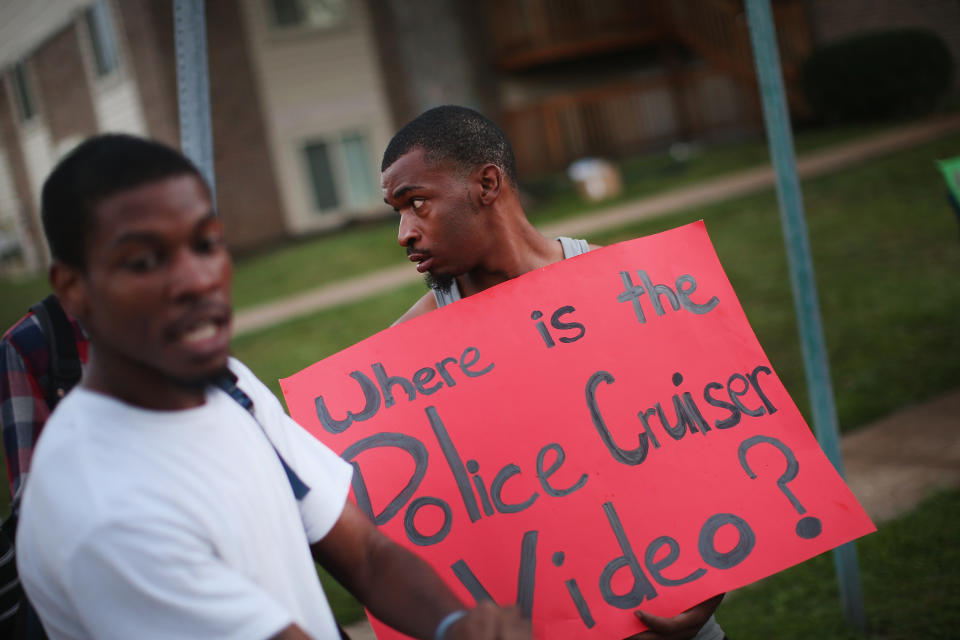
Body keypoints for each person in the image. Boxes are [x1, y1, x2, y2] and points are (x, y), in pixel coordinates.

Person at [14, 133, 531, 640]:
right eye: (145, 261)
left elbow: (366, 555)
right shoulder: (106, 513)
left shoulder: (225, 388)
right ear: (73, 288)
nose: (197, 279)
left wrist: (456, 625)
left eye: (206, 244)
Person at [382, 105, 726, 640]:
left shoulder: (625, 292)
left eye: (417, 203)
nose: (404, 233)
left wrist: (712, 585)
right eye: (397, 213)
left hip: (663, 618)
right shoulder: (404, 362)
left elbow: (704, 442)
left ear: (487, 184)